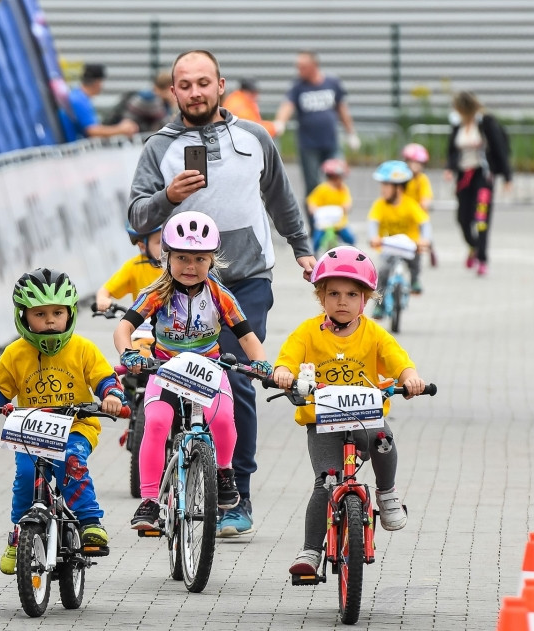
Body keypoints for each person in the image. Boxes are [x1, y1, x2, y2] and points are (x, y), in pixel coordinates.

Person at [127, 49, 316, 536]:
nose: (195, 92)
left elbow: (280, 197)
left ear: (220, 85)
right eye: (185, 84)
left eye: (203, 83)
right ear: (174, 91)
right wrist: (169, 197)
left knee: (235, 378)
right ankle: (167, 478)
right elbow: (136, 216)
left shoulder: (254, 137)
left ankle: (235, 494)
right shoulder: (160, 147)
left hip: (246, 277)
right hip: (181, 282)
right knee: (169, 384)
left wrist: (301, 249)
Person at [271, 246, 427, 575]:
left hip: (365, 418)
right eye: (334, 294)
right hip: (323, 422)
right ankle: (310, 551)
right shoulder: (307, 332)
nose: (343, 301)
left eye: (352, 294)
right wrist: (283, 373)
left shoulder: (374, 334)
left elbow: (399, 362)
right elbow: (287, 359)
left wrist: (410, 378)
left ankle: (387, 492)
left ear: (365, 299)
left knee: (383, 439)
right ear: (321, 296)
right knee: (326, 482)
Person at [114, 211, 272, 530]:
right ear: (167, 257)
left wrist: (261, 362)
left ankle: (224, 473)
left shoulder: (220, 295)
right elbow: (123, 328)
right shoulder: (156, 293)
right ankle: (149, 501)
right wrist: (128, 352)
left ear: (212, 260)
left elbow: (247, 336)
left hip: (208, 371)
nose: (190, 266)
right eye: (182, 258)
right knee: (156, 423)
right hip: (166, 371)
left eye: (200, 259)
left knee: (224, 420)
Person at [0, 268, 125, 574]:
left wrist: (112, 397)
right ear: (23, 316)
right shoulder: (15, 353)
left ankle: (90, 522)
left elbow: (105, 378)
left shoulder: (82, 349)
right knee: (26, 475)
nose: (50, 321)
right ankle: (18, 535)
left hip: (76, 426)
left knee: (71, 461)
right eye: (40, 314)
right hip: (31, 431)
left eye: (57, 313)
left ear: (70, 313)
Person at [273, 50, 360, 199]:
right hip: (309, 145)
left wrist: (351, 133)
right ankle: (314, 213)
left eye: (303, 67)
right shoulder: (298, 86)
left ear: (314, 66)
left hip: (331, 142)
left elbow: (342, 109)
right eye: (298, 66)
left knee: (337, 177)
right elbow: (287, 105)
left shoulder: (332, 83)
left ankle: (337, 211)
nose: (299, 70)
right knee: (313, 184)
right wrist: (280, 122)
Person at [445, 91, 512, 277]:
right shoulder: (457, 125)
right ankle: (473, 247)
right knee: (463, 218)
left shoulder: (486, 123)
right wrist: (449, 168)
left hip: (483, 176)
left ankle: (482, 259)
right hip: (464, 178)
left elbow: (500, 148)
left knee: (481, 218)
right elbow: (452, 150)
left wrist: (508, 176)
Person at [368, 160, 431, 304]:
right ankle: (379, 304)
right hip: (389, 246)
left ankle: (415, 280)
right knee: (383, 271)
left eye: (386, 185)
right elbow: (373, 222)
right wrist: (373, 237)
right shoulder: (379, 205)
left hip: (409, 245)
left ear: (399, 187)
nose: (382, 189)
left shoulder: (410, 204)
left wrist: (425, 239)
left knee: (415, 259)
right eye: (382, 185)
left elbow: (424, 223)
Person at [94, 222, 163, 313]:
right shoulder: (134, 267)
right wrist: (102, 299)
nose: (167, 245)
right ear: (142, 246)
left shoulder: (179, 262)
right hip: (146, 319)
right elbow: (106, 289)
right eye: (160, 242)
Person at [60, 63, 139, 140]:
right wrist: (121, 129)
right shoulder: (79, 100)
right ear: (98, 82)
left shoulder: (77, 96)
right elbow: (92, 131)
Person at [307, 158, 355, 253]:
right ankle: (313, 255)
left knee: (350, 238)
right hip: (323, 224)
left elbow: (347, 202)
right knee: (316, 241)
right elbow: (312, 201)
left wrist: (346, 207)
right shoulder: (322, 189)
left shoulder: (343, 189)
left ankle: (352, 254)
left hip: (339, 223)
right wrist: (313, 209)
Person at [103, 71, 174, 134]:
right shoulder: (150, 99)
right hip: (129, 136)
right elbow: (167, 124)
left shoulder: (152, 96)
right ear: (169, 88)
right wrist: (172, 103)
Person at [402, 143, 433, 212]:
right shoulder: (402, 178)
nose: (416, 165)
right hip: (403, 213)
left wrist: (425, 203)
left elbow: (426, 196)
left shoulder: (422, 179)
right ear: (407, 161)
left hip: (418, 214)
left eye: (419, 163)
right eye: (413, 162)